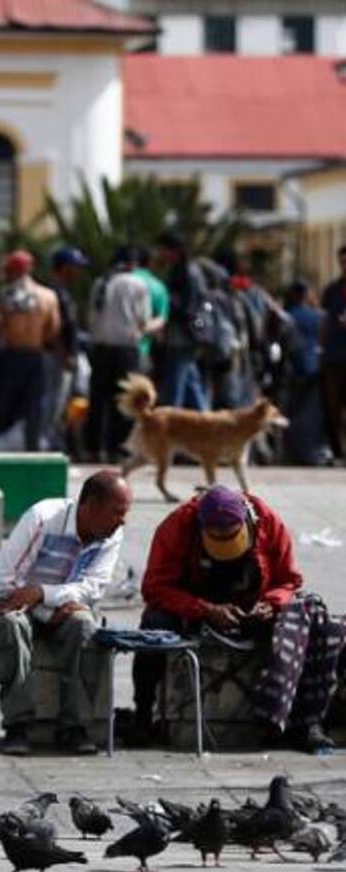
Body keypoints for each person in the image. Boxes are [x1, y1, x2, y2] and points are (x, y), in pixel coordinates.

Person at [132, 485, 343, 754]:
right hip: (195, 605)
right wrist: (203, 609)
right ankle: (142, 716)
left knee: (314, 619)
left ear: (247, 522)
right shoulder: (177, 526)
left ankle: (302, 721)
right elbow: (155, 587)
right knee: (154, 624)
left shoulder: (268, 522)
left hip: (253, 608)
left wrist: (272, 604)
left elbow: (289, 581)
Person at [0, 470, 131, 756]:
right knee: (12, 625)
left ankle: (75, 726)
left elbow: (92, 588)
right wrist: (42, 611)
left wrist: (44, 594)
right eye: (116, 512)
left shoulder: (111, 535)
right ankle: (17, 725)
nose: (122, 520)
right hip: (17, 602)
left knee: (84, 626)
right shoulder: (42, 518)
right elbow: (5, 582)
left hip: (61, 605)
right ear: (90, 505)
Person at [0, 250, 60, 453]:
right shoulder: (48, 296)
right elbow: (53, 329)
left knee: (0, 406)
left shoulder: (5, 295)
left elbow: (0, 328)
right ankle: (32, 451)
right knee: (35, 408)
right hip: (36, 355)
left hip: (11, 355)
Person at [84, 246, 153, 461]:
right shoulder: (138, 285)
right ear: (133, 264)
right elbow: (143, 320)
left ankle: (96, 448)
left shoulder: (100, 283)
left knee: (99, 400)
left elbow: (91, 317)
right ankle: (119, 448)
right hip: (126, 349)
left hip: (101, 348)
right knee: (125, 400)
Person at [155, 232, 210, 411]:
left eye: (163, 250)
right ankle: (206, 425)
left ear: (175, 251)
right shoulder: (184, 270)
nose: (160, 254)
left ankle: (170, 429)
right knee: (191, 384)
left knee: (174, 389)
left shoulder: (186, 273)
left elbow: (188, 307)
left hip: (182, 336)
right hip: (189, 334)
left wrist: (166, 305)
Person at [43, 247, 87, 449]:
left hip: (62, 355)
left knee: (60, 403)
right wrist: (64, 353)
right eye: (75, 267)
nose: (77, 272)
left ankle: (53, 443)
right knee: (53, 401)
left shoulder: (62, 290)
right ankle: (49, 446)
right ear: (65, 267)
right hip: (56, 356)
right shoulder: (54, 291)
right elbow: (54, 327)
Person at [284, 280, 331, 465]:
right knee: (313, 413)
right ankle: (313, 451)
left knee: (294, 413)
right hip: (317, 368)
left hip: (295, 369)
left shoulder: (287, 316)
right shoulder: (319, 316)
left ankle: (295, 452)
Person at [319, 244, 346, 459]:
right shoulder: (332, 290)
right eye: (342, 262)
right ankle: (338, 452)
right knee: (332, 408)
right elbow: (324, 320)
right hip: (334, 357)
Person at [132, 246, 169, 367]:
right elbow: (161, 320)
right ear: (151, 262)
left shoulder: (117, 279)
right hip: (140, 348)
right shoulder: (157, 286)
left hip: (109, 346)